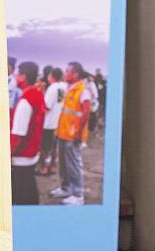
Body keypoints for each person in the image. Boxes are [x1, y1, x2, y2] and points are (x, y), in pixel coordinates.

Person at [52, 61, 93, 205]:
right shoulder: (70, 88)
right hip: (63, 132)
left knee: (73, 164)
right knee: (63, 163)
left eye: (67, 71)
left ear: (75, 74)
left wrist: (78, 133)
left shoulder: (83, 90)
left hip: (73, 134)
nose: (65, 73)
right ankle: (65, 188)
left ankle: (78, 194)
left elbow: (86, 113)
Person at [9, 61, 45, 204]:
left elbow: (19, 134)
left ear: (24, 77)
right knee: (29, 189)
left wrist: (9, 154)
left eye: (17, 74)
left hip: (22, 155)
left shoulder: (25, 101)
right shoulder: (37, 94)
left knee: (22, 194)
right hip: (32, 150)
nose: (15, 77)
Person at [40, 67, 66, 177]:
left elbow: (46, 106)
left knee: (44, 147)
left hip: (48, 122)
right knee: (54, 146)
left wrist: (41, 93)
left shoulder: (52, 88)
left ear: (51, 76)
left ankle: (43, 168)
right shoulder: (63, 86)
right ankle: (52, 166)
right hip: (58, 120)